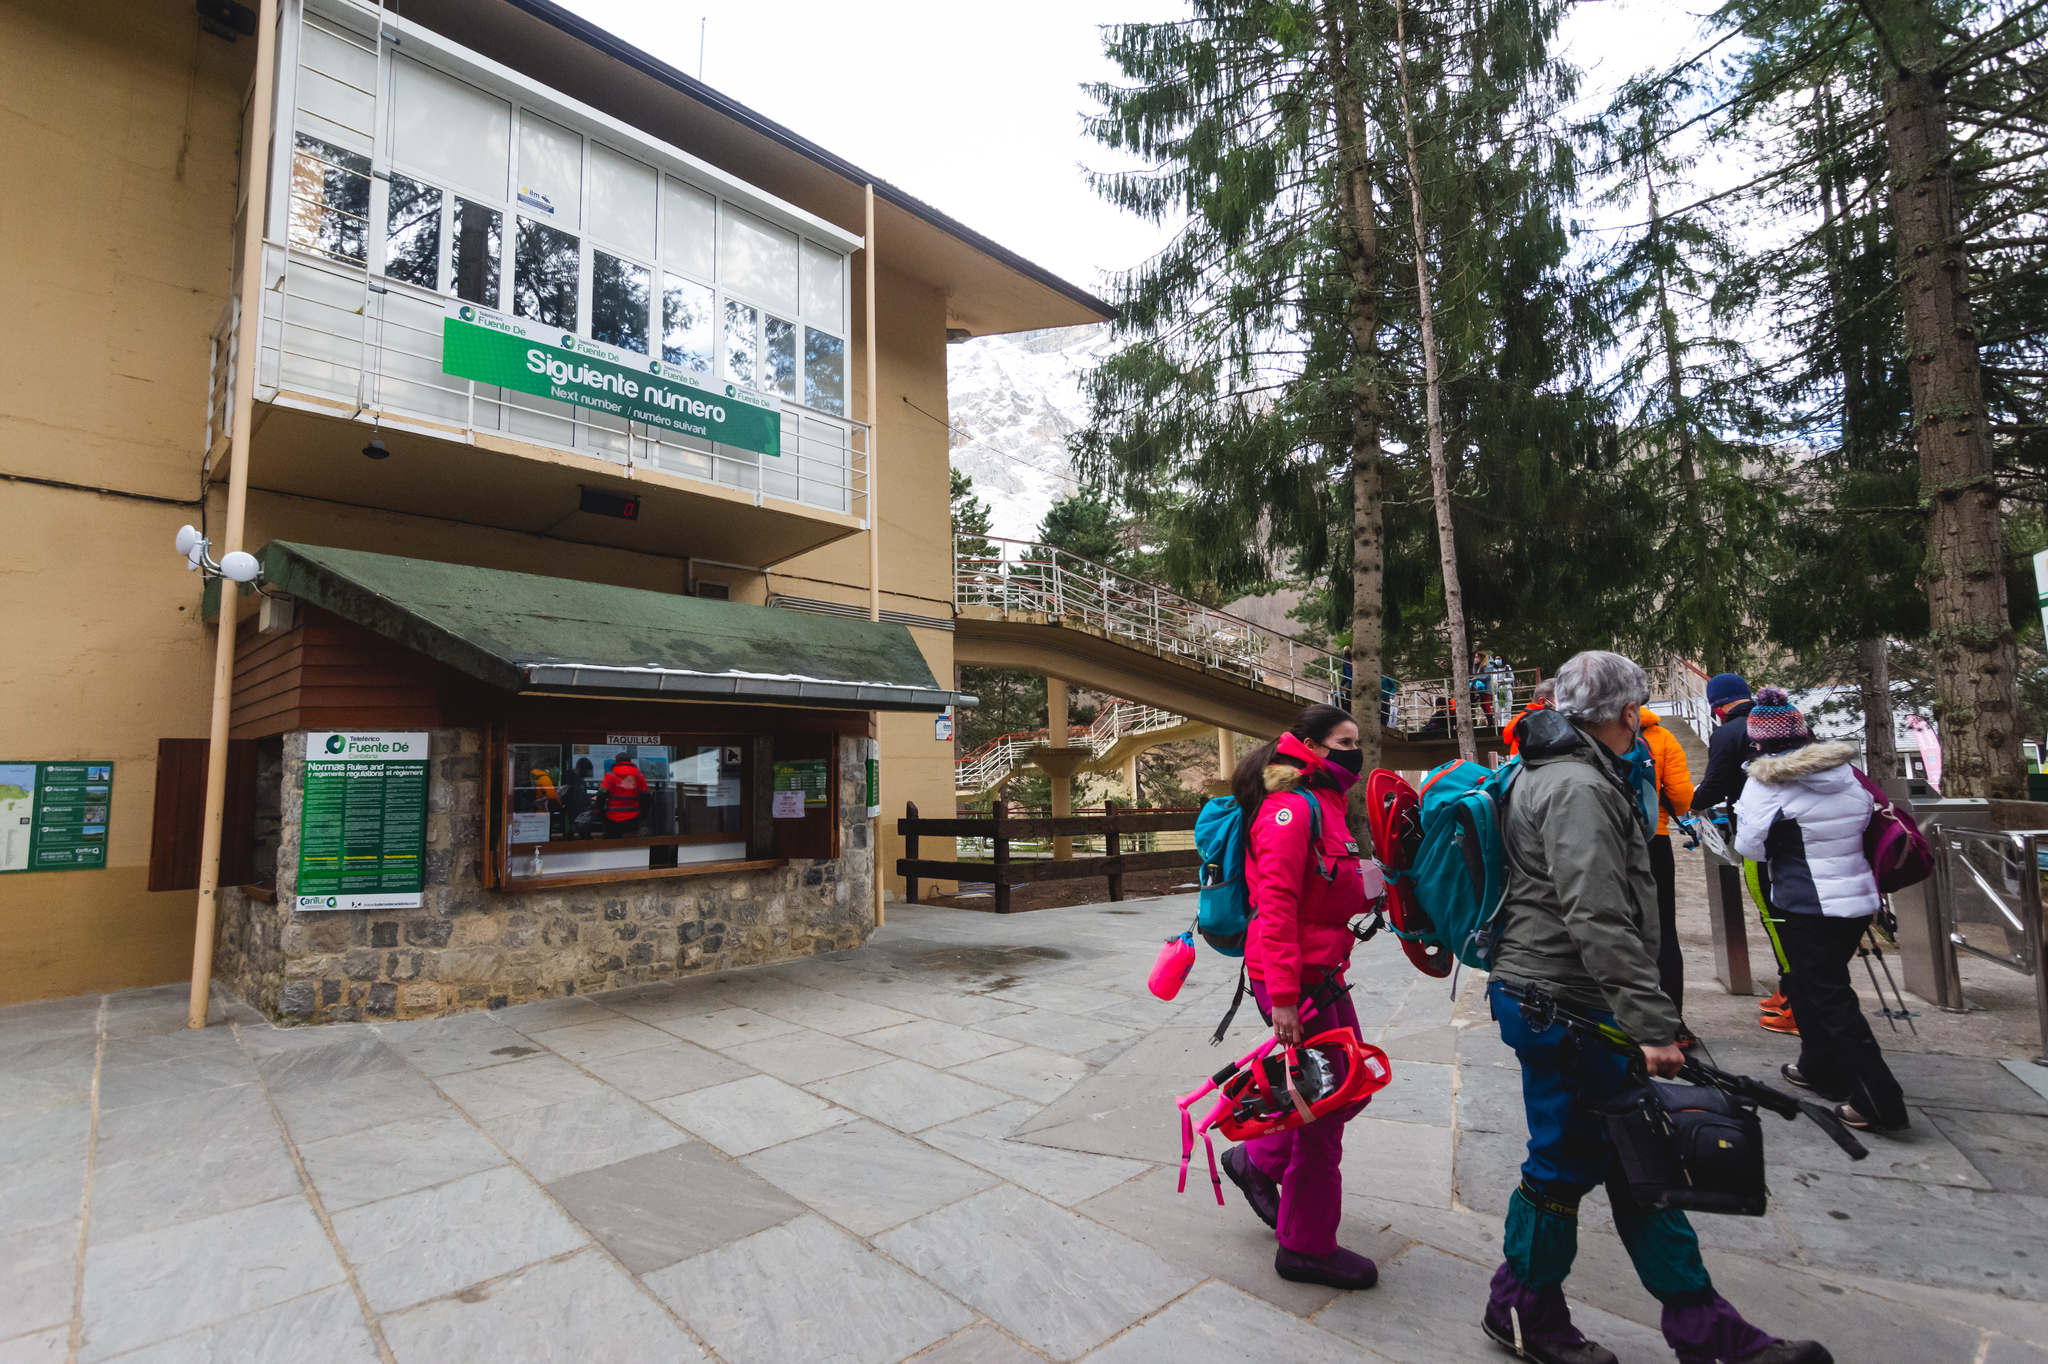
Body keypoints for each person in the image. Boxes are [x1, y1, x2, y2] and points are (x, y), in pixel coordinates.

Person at [1482, 651, 1827, 1364]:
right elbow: (1597, 915)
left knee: (1637, 1156)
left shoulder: (1549, 768)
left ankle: (1702, 1328)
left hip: (1559, 995)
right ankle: (1523, 1308)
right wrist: (1651, 1025)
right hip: (1566, 1003)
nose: (1639, 722)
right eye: (1636, 708)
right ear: (1619, 711)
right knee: (1564, 1161)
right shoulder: (1577, 784)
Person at [1218, 703, 1381, 1291]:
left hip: (1322, 970)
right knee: (1325, 1109)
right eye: (1344, 741)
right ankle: (1306, 1247)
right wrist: (1283, 999)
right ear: (1310, 746)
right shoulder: (1290, 811)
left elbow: (1329, 893)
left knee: (1348, 1086)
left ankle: (1255, 1160)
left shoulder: (1326, 807)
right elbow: (1278, 910)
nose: (1353, 752)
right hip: (1293, 980)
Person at [1733, 691, 1909, 1133]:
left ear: (1759, 743)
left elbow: (1749, 845)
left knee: (1829, 996)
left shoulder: (1765, 783)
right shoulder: (1847, 773)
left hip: (1803, 901)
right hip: (1854, 899)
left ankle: (1877, 1098)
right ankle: (1819, 1066)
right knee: (1812, 984)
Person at [1689, 673, 1795, 1035]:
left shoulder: (1729, 732)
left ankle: (1796, 997)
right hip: (1801, 833)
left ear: (1716, 706)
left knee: (1774, 914)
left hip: (1760, 834)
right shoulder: (1783, 723)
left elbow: (1714, 784)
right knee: (1794, 913)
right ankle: (1791, 989)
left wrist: (1691, 801)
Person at [1638, 708, 1697, 1014]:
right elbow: (1681, 797)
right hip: (1655, 837)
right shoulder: (1662, 737)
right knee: (1664, 929)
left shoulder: (1594, 733)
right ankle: (1673, 1020)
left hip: (1610, 840)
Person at [1504, 678, 1557, 755]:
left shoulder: (1521, 717)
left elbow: (1506, 737)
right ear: (1542, 701)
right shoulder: (1544, 719)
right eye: (1560, 699)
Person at [600, 753, 649, 834]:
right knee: (632, 844)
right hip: (633, 817)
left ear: (616, 761)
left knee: (611, 842)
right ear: (630, 761)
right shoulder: (638, 775)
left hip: (612, 818)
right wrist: (644, 815)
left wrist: (600, 812)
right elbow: (645, 796)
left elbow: (602, 794)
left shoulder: (610, 775)